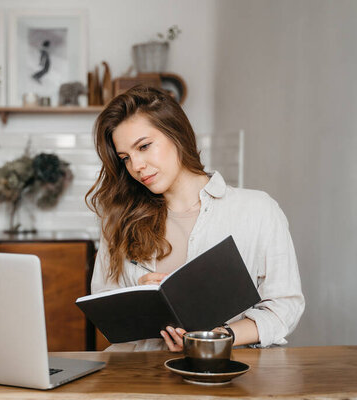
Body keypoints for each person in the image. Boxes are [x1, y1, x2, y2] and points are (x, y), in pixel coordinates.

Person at [86, 85, 304, 351]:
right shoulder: (119, 220)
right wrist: (138, 297)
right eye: (125, 158)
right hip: (144, 378)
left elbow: (284, 307)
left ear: (176, 134)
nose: (136, 166)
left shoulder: (258, 211)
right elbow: (104, 307)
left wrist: (217, 337)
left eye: (144, 146)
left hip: (230, 377)